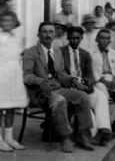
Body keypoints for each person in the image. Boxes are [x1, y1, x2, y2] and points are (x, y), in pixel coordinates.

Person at [23, 22, 93, 153]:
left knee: (83, 97)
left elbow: (60, 73)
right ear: (38, 35)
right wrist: (42, 81)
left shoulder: (57, 51)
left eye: (51, 32)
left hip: (57, 88)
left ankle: (83, 135)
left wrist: (72, 80)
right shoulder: (30, 52)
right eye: (44, 32)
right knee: (59, 100)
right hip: (40, 92)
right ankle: (65, 137)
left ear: (55, 34)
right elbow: (26, 76)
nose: (48, 35)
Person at [61, 27, 113, 146]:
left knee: (101, 96)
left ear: (81, 38)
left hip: (83, 86)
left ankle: (103, 129)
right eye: (72, 38)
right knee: (84, 102)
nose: (75, 41)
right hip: (68, 86)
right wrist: (74, 82)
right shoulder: (61, 52)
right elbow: (60, 73)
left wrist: (88, 84)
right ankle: (89, 134)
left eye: (77, 38)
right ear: (68, 38)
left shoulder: (85, 54)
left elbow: (90, 75)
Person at [0, 10, 27, 152]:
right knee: (0, 107)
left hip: (13, 76)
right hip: (1, 76)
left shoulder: (16, 37)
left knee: (11, 107)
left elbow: (19, 55)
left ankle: (9, 137)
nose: (7, 24)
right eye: (4, 21)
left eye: (10, 21)